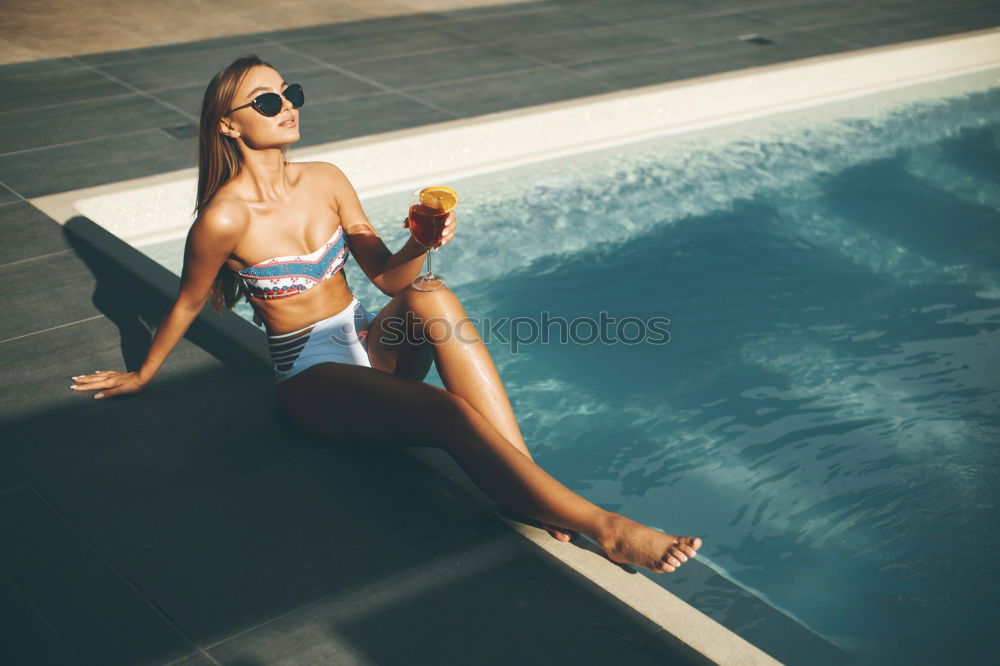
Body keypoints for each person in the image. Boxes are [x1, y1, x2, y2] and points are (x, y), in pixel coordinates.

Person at [70, 55, 701, 574]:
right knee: (450, 413)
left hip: (369, 350)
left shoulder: (326, 178)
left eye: (289, 92)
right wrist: (143, 374)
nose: (286, 104)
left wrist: (421, 243)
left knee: (432, 293)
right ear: (229, 127)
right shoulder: (225, 218)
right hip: (313, 382)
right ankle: (605, 526)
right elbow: (186, 301)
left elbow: (386, 278)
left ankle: (530, 489)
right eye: (265, 101)